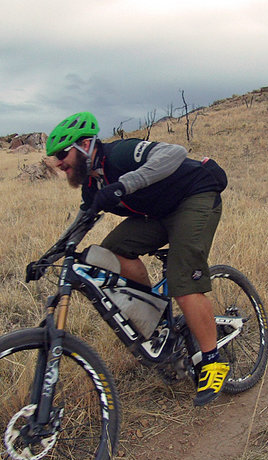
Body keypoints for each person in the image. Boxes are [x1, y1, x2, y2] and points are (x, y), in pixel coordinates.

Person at [44, 111, 230, 406]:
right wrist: (50, 255)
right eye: (55, 158)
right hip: (158, 214)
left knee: (183, 282)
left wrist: (123, 185)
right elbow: (82, 222)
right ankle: (153, 313)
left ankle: (211, 361)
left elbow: (175, 153)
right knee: (110, 252)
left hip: (194, 196)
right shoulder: (92, 186)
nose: (58, 163)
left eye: (63, 154)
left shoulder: (119, 154)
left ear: (85, 145)